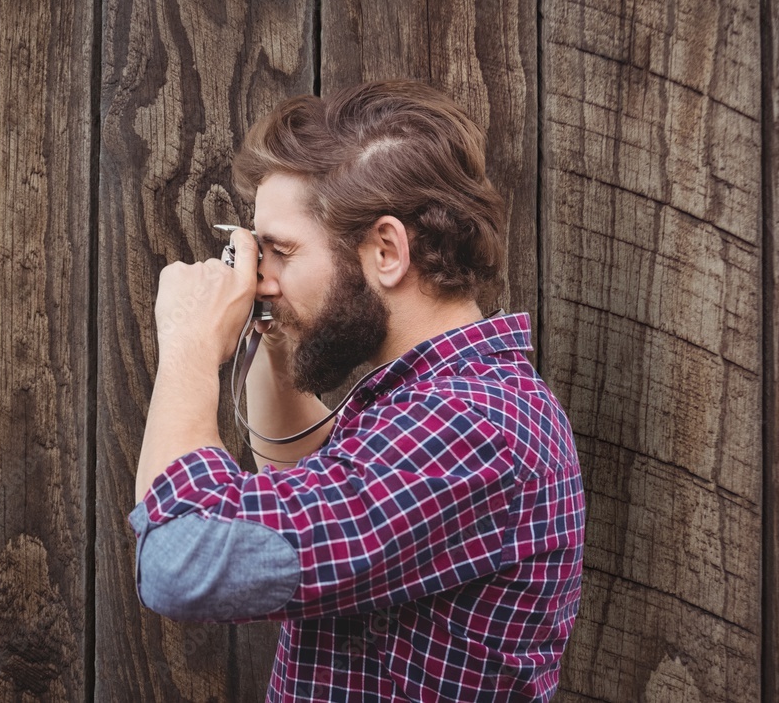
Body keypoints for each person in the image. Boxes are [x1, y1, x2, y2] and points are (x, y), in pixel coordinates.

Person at [129, 79, 584, 702]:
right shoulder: (437, 397)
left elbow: (181, 563)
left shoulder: (470, 424)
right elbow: (312, 491)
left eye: (280, 251)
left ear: (387, 251)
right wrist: (276, 320)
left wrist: (187, 345)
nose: (262, 277)